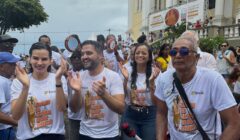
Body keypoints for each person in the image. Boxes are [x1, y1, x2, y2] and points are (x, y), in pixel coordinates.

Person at [155, 36, 240, 140]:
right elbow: (161, 113)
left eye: (184, 51)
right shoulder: (163, 79)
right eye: (173, 52)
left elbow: (234, 123)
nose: (178, 55)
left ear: (196, 57)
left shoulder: (213, 80)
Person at [10, 42, 68, 140]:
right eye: (36, 58)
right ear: (30, 59)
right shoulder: (18, 82)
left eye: (44, 59)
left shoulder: (59, 79)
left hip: (55, 135)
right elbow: (15, 115)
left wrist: (58, 81)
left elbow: (62, 108)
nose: (39, 63)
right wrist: (25, 87)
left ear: (50, 61)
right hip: (27, 137)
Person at [69, 40, 125, 140]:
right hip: (85, 134)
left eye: (89, 53)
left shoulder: (113, 77)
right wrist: (77, 92)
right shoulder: (79, 77)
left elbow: (121, 109)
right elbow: (74, 109)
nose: (84, 57)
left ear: (100, 55)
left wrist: (104, 95)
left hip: (109, 135)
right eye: (82, 54)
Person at [119, 43, 160, 140]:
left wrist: (151, 82)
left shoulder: (156, 73)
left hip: (150, 116)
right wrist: (125, 80)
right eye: (137, 53)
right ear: (133, 56)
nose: (140, 55)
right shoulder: (126, 70)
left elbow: (156, 102)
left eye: (144, 53)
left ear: (149, 57)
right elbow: (122, 98)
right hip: (130, 114)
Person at [0, 52, 19, 140]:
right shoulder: (1, 82)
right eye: (11, 64)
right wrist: (19, 123)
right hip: (4, 129)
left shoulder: (5, 80)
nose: (15, 66)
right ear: (1, 66)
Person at [67, 49, 83, 140]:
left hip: (85, 116)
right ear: (71, 60)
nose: (76, 59)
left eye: (78, 57)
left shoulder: (87, 73)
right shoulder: (67, 74)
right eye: (74, 58)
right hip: (73, 116)